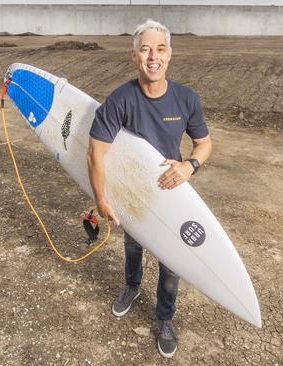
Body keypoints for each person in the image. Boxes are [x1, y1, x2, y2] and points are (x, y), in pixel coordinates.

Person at [86, 19, 212, 358]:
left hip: (171, 192)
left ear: (169, 54)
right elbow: (95, 151)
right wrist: (101, 198)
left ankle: (165, 317)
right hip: (133, 191)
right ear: (134, 56)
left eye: (159, 49)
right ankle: (131, 286)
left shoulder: (186, 99)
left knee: (172, 263)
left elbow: (204, 143)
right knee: (132, 246)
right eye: (145, 50)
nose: (152, 57)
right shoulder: (120, 100)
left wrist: (189, 165)